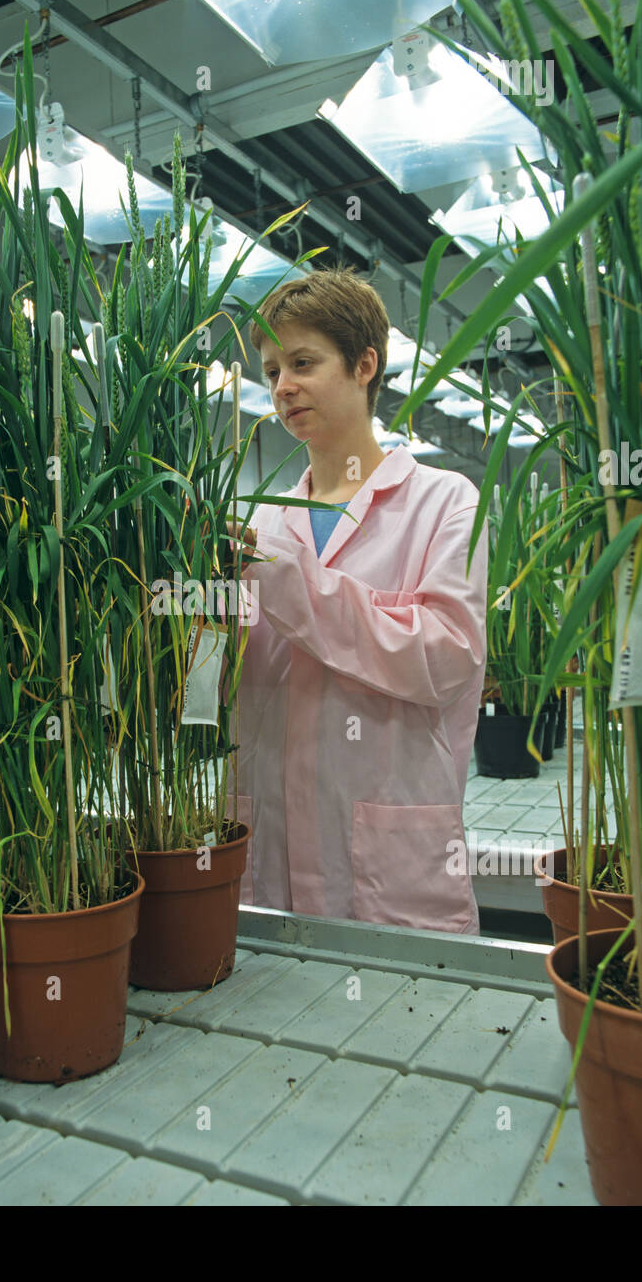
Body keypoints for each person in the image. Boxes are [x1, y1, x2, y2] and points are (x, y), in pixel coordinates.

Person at [224, 267, 487, 933]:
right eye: (272, 368)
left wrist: (283, 580)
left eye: (303, 362)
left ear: (364, 363)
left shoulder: (443, 500)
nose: (282, 386)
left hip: (387, 858)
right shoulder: (262, 521)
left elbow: (446, 656)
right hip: (270, 852)